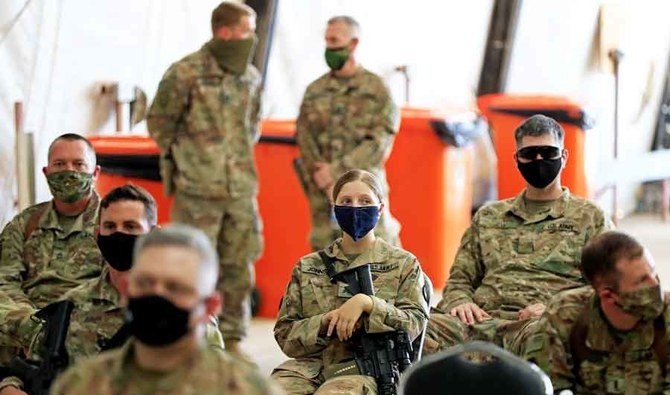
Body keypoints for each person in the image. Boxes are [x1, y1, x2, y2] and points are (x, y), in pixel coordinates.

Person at [0, 185, 225, 394]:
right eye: (110, 227)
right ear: (98, 234)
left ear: (152, 234)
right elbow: (35, 366)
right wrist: (9, 386)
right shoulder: (69, 306)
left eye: (130, 226)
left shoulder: (182, 310)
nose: (119, 235)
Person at [424, 114, 613, 355]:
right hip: (480, 322)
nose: (539, 160)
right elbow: (460, 279)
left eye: (548, 152)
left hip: (542, 325)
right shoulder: (489, 216)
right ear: (517, 159)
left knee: (547, 340)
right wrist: (460, 301)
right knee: (411, 330)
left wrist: (555, 309)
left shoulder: (591, 217)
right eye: (529, 154)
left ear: (564, 157)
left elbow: (608, 287)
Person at [147, 1, 263, 354]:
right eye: (246, 31)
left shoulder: (249, 76)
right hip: (198, 190)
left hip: (240, 187)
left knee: (239, 265)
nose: (252, 39)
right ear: (224, 32)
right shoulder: (186, 73)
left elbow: (252, 126)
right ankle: (195, 339)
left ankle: (233, 339)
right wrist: (192, 159)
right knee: (194, 265)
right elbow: (160, 124)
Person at [51, 225, 281, 395]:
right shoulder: (80, 386)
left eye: (176, 288)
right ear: (125, 291)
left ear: (210, 306)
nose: (157, 296)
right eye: (145, 283)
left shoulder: (249, 390)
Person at [272, 169, 429, 394]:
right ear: (335, 208)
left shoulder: (403, 263)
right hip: (309, 368)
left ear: (380, 209)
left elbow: (414, 324)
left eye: (365, 201)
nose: (355, 208)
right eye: (346, 201)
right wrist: (326, 322)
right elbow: (285, 335)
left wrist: (369, 304)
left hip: (365, 369)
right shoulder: (308, 266)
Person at [296, 15, 401, 251]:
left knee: (377, 258)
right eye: (327, 41)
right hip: (324, 196)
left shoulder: (377, 90)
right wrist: (321, 175)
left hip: (365, 193)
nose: (329, 48)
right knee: (326, 262)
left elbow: (379, 142)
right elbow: (304, 136)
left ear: (353, 44)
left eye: (335, 41)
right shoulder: (315, 91)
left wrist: (336, 172)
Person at [523, 231, 670, 394]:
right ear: (609, 295)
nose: (655, 284)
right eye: (642, 280)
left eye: (653, 272)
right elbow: (548, 388)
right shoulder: (564, 316)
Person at [0, 133, 104, 350]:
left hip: (86, 330)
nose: (69, 171)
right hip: (25, 327)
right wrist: (31, 322)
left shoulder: (112, 223)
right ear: (46, 173)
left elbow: (119, 287)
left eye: (79, 164)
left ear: (95, 173)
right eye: (59, 164)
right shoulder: (25, 223)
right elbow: (4, 280)